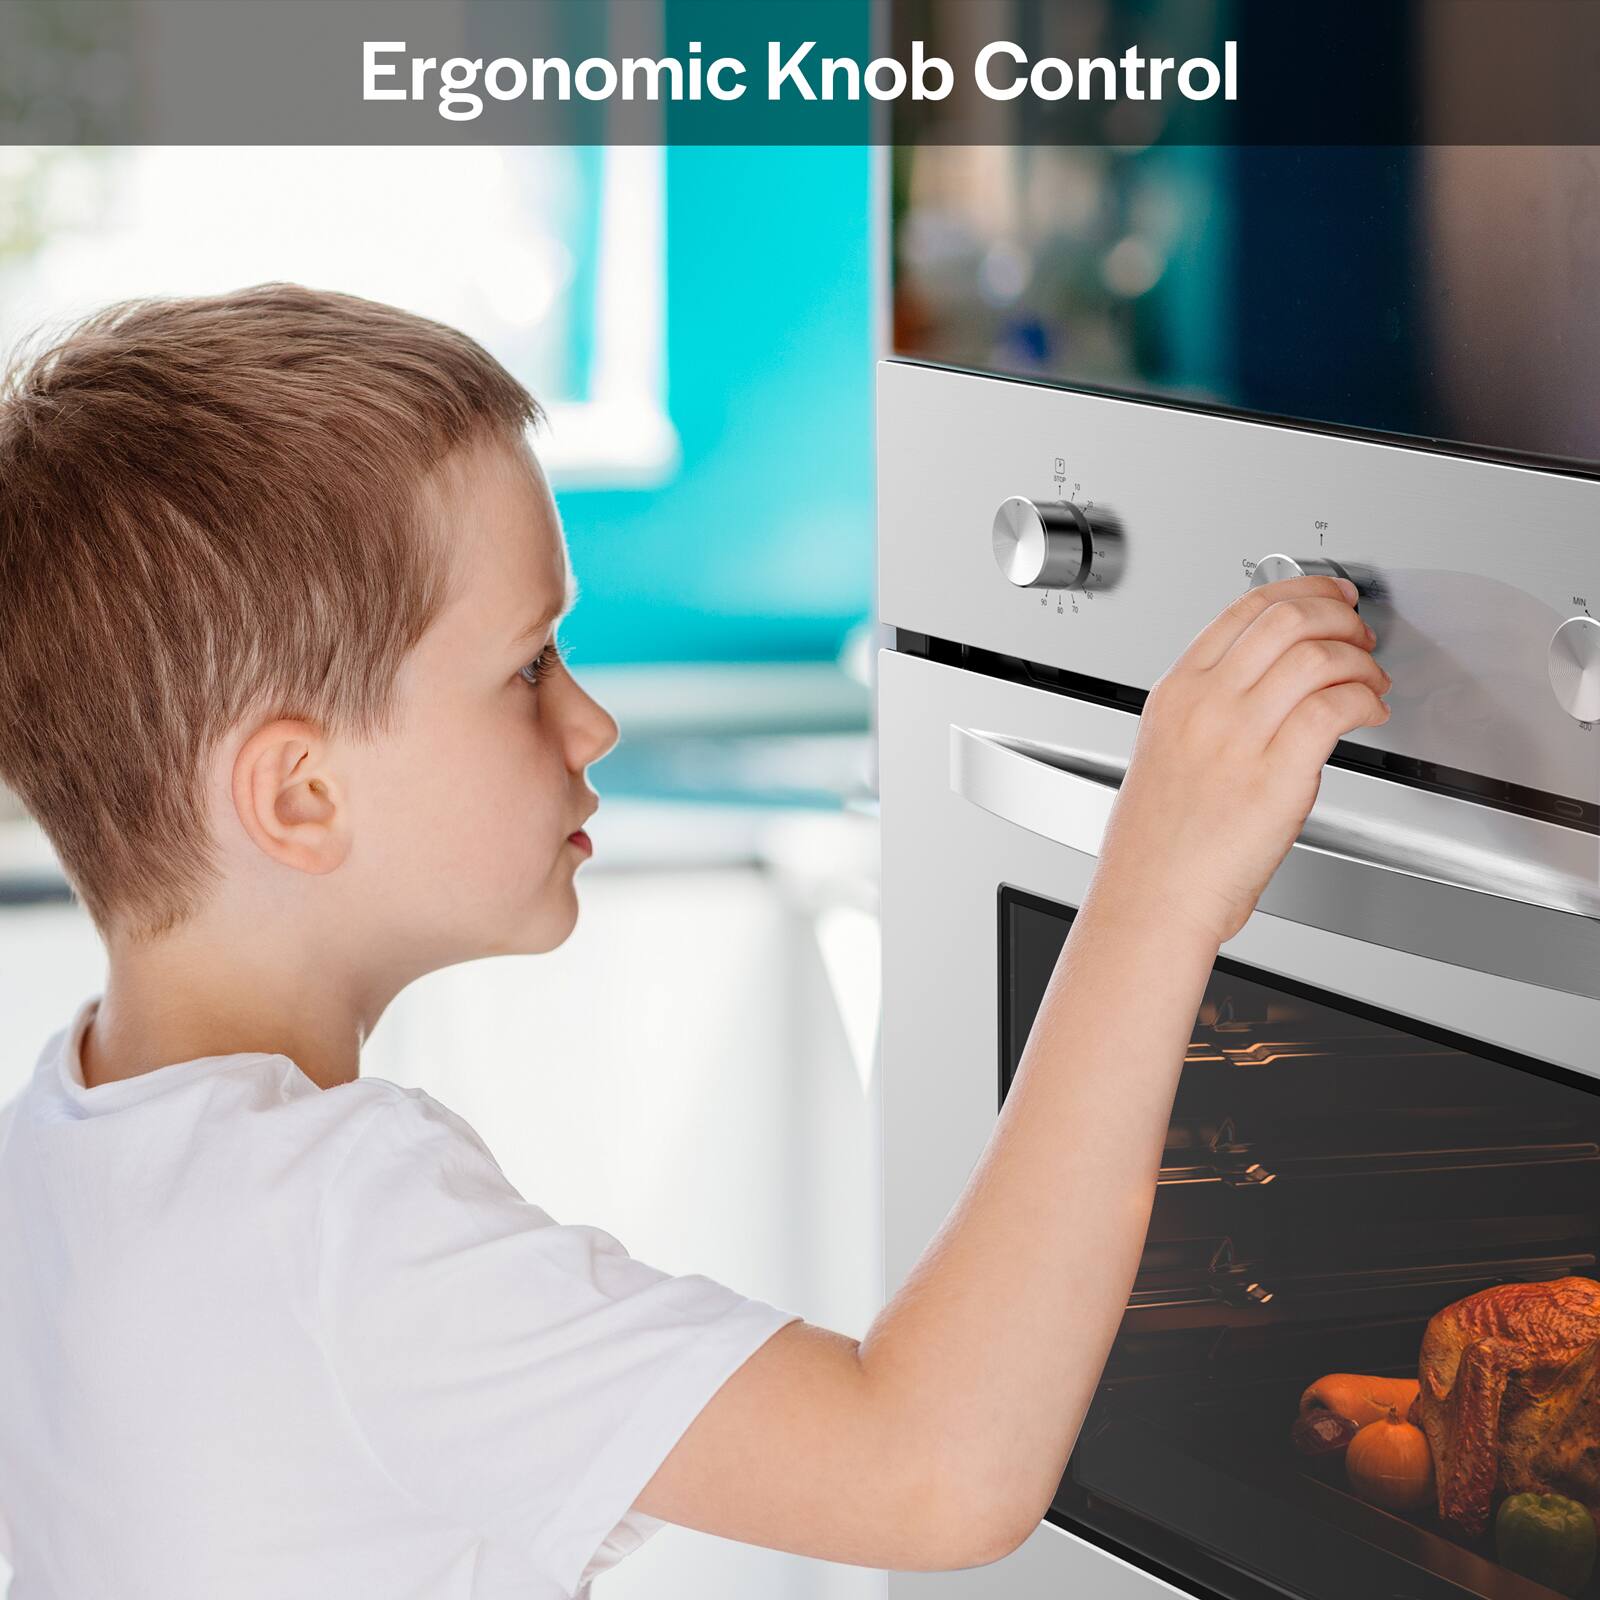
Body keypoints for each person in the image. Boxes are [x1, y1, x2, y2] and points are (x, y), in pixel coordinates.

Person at [0, 283, 1390, 1598]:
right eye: (529, 664)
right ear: (301, 794)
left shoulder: (65, 1151)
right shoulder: (336, 1223)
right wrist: (1156, 885)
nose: (588, 721)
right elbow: (932, 1467)